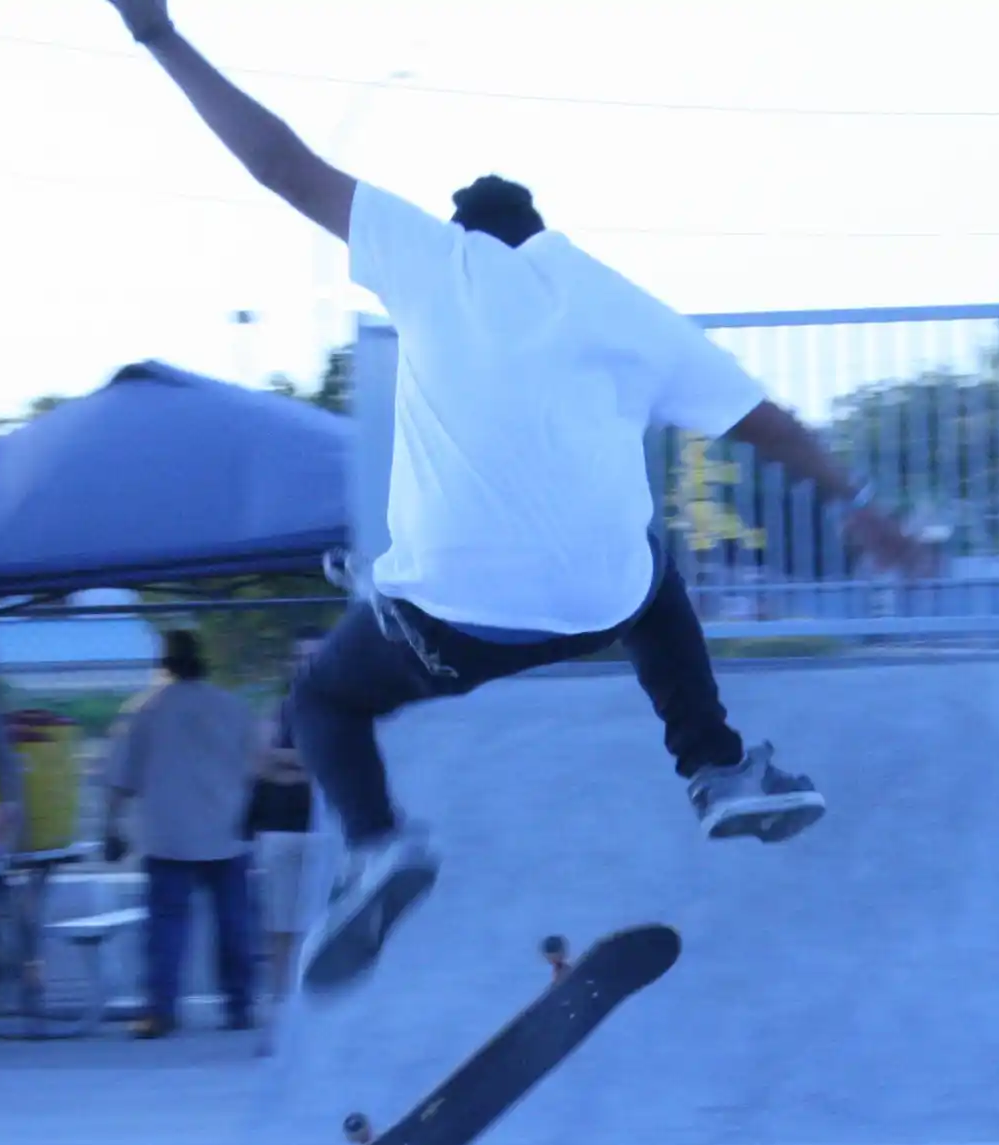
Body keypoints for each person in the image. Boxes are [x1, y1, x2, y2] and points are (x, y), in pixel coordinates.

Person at [102, 0, 930, 994]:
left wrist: (158, 37)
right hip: (598, 599)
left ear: (466, 234)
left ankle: (375, 847)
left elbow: (277, 162)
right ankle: (715, 769)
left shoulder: (432, 261)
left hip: (444, 617)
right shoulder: (618, 302)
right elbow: (772, 425)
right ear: (542, 237)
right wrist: (859, 502)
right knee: (647, 557)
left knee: (321, 695)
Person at [103, 627, 258, 1037]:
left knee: (166, 930)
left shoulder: (143, 710)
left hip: (167, 835)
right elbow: (255, 767)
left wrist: (111, 826)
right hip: (227, 833)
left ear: (164, 663)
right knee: (234, 925)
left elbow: (119, 778)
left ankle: (161, 1010)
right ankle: (239, 1006)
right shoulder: (233, 707)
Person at [245, 630, 322, 1044]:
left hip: (328, 834)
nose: (305, 664)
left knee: (325, 925)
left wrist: (288, 763)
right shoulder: (278, 711)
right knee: (281, 926)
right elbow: (260, 763)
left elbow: (331, 762)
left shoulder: (342, 706)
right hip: (279, 833)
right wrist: (308, 762)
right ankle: (284, 1008)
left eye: (313, 655)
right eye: (299, 656)